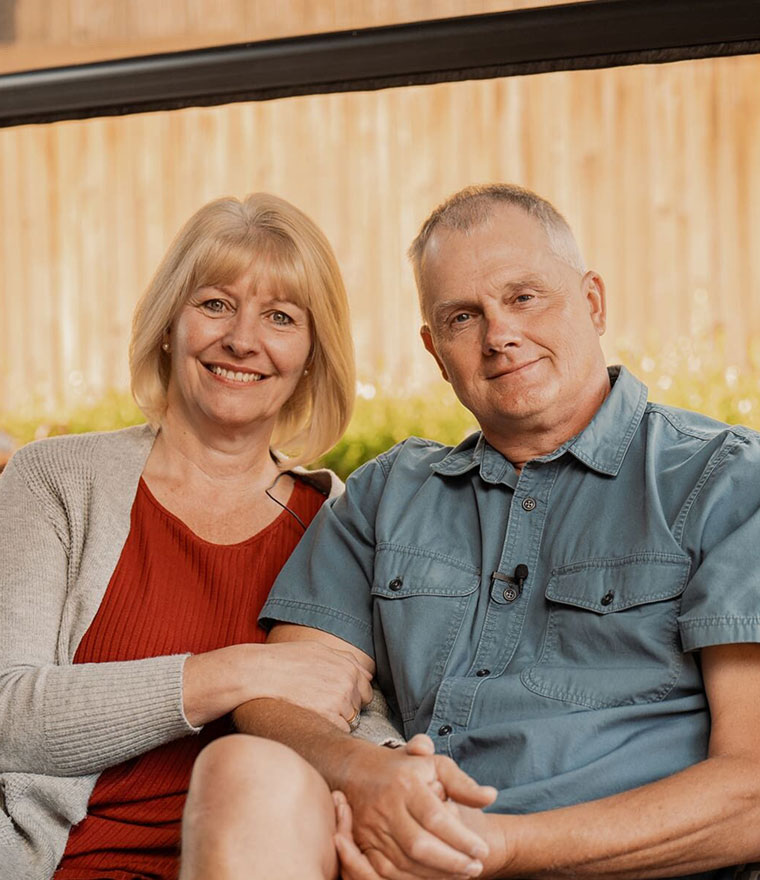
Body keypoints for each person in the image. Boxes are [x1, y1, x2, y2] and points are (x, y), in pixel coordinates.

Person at [218, 184, 760, 880]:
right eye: (463, 316)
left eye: (525, 297)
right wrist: (368, 774)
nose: (500, 336)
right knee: (241, 768)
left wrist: (494, 847)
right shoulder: (389, 494)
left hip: (613, 864)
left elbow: (750, 793)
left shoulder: (724, 481)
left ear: (593, 302)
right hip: (396, 857)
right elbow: (276, 698)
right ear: (435, 351)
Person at [0, 192, 378, 880]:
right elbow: (9, 714)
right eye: (214, 304)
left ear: (310, 357)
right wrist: (239, 671)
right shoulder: (54, 479)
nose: (242, 339)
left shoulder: (337, 522)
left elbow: (358, 714)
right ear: (170, 323)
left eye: (280, 317)